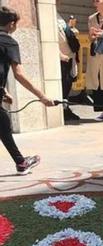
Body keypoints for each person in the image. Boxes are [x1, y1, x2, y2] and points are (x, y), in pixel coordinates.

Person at [0, 7, 56, 174]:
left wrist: (2, 91)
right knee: (3, 125)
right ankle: (21, 163)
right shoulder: (8, 42)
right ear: (11, 24)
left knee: (3, 125)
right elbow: (19, 74)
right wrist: (42, 96)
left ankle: (21, 162)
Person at [58, 14, 80, 122]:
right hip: (62, 59)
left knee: (67, 85)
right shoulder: (50, 15)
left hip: (69, 58)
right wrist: (59, 55)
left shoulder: (58, 16)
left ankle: (65, 109)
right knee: (63, 86)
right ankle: (63, 110)